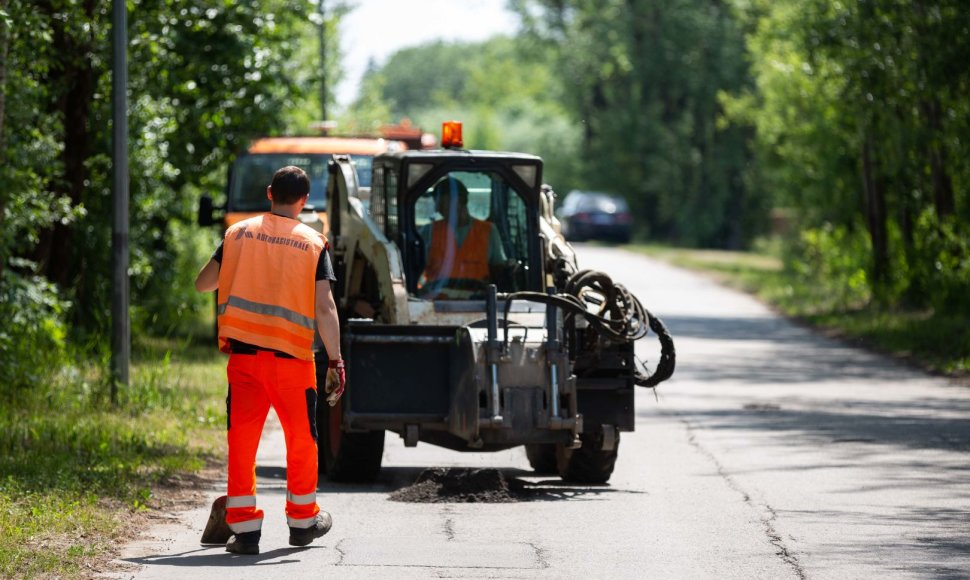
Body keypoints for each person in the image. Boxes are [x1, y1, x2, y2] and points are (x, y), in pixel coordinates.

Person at [194, 165, 345, 555]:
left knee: (242, 444)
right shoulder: (313, 243)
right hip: (292, 362)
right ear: (304, 201)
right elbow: (325, 309)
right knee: (301, 442)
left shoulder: (237, 234)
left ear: (268, 193)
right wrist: (336, 360)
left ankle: (245, 533)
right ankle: (302, 522)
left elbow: (203, 283)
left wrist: (238, 266)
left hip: (244, 362)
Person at [418, 176, 507, 299]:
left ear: (458, 201)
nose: (437, 209)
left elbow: (499, 272)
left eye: (441, 203)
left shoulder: (489, 231)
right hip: (436, 305)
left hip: (478, 304)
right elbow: (415, 269)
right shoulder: (428, 231)